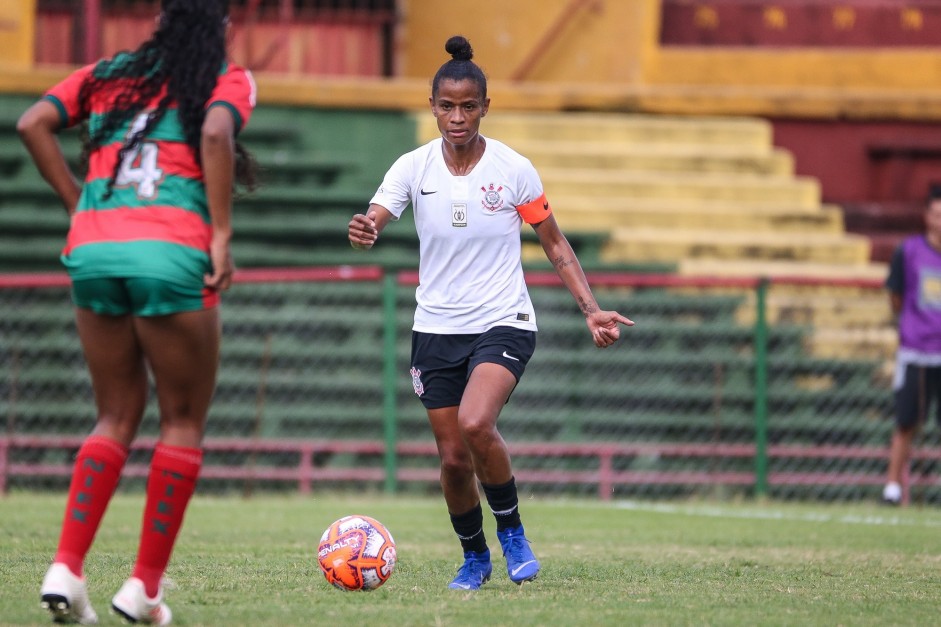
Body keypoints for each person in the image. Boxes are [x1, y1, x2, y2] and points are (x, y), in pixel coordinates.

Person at [348, 35, 633, 590]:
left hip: (504, 319)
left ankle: (513, 534)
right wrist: (365, 230)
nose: (457, 117)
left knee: (477, 423)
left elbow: (554, 243)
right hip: (435, 329)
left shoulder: (513, 169)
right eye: (447, 106)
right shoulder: (412, 166)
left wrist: (591, 309)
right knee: (454, 458)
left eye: (468, 106)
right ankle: (474, 556)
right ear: (432, 107)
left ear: (485, 107)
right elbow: (376, 216)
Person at [17, 1, 256, 623]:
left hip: (94, 249)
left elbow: (32, 123)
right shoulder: (225, 78)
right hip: (171, 251)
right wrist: (222, 236)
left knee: (114, 414)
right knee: (180, 422)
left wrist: (80, 205)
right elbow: (212, 133)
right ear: (220, 26)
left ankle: (66, 569)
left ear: (163, 19)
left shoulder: (105, 72)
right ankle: (144, 588)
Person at [881, 184, 941, 506]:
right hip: (917, 350)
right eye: (937, 214)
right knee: (907, 421)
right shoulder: (909, 252)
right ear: (927, 216)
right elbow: (895, 295)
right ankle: (891, 488)